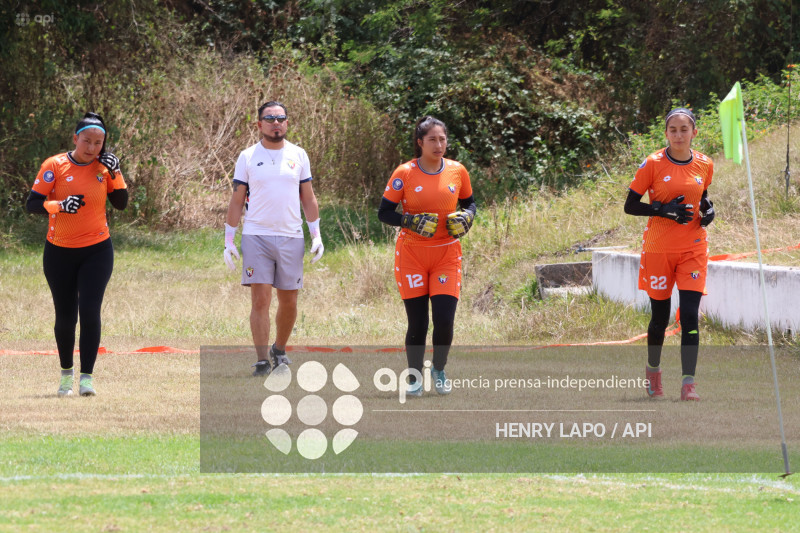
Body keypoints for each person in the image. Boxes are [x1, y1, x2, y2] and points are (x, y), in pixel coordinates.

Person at [25, 112, 128, 397]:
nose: (92, 147)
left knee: (90, 311)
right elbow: (32, 204)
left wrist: (117, 173)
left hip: (97, 250)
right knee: (66, 315)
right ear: (75, 139)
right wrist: (59, 206)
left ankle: (87, 379)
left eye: (98, 142)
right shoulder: (54, 165)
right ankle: (65, 375)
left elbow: (120, 204)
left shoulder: (105, 167)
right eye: (87, 141)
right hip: (59, 252)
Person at [378, 116, 477, 397]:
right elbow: (384, 212)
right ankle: (413, 377)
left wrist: (468, 216)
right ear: (420, 143)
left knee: (444, 320)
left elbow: (470, 203)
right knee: (418, 322)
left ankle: (439, 369)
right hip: (412, 255)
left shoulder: (457, 171)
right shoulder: (404, 173)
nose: (439, 144)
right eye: (432, 139)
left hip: (447, 254)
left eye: (443, 139)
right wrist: (409, 222)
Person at [224, 101, 323, 376]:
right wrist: (229, 239)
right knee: (260, 300)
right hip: (257, 236)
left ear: (287, 123)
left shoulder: (299, 155)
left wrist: (316, 235)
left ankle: (279, 349)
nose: (276, 123)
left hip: (291, 236)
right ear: (259, 124)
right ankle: (261, 360)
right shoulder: (247, 157)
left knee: (289, 301)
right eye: (270, 118)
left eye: (281, 118)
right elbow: (236, 199)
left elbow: (309, 197)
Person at [624, 107, 715, 401]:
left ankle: (689, 383)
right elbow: (630, 205)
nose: (678, 135)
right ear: (666, 133)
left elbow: (702, 196)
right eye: (672, 130)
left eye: (684, 129)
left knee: (689, 315)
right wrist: (661, 209)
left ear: (694, 133)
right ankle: (653, 373)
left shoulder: (704, 164)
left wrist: (709, 210)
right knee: (660, 318)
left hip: (693, 249)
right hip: (659, 250)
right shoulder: (652, 163)